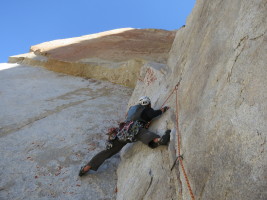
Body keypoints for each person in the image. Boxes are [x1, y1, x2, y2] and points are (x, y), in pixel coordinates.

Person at [79, 96, 171, 176]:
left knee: (108, 151)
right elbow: (153, 114)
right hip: (133, 129)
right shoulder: (146, 109)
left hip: (122, 131)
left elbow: (128, 116)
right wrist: (163, 109)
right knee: (142, 134)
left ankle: (87, 167)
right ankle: (158, 140)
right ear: (147, 103)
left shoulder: (132, 108)